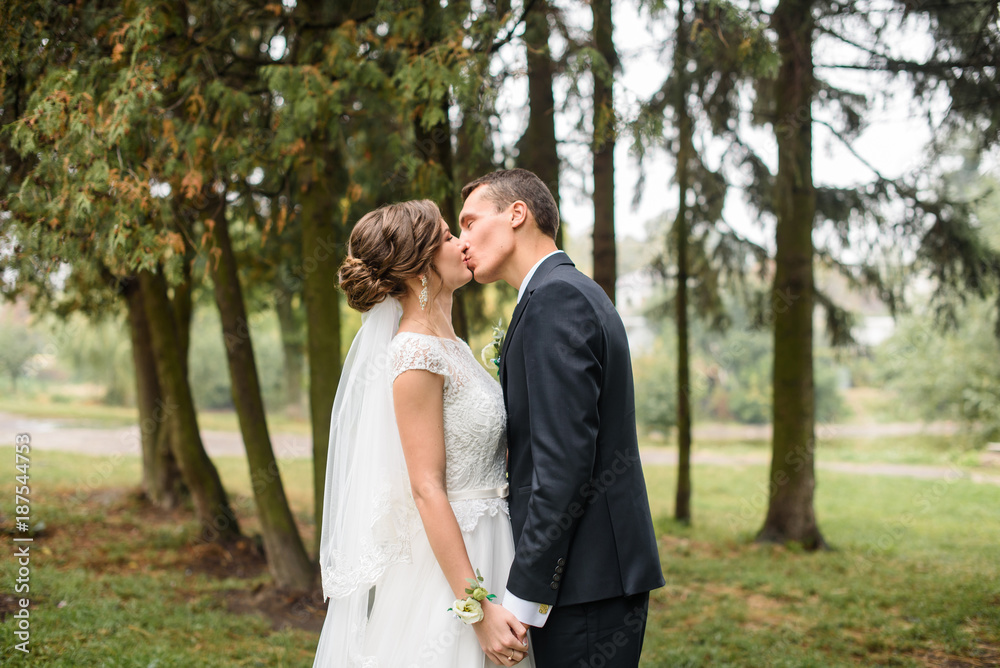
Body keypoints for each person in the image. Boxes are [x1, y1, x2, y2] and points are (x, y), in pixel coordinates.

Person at [458, 169, 666, 668]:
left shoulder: (556, 299)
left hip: (584, 582)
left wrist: (523, 597)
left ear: (516, 213)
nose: (462, 241)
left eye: (469, 222)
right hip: (587, 576)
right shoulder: (560, 292)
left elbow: (563, 467)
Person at [312, 199, 533, 667]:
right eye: (449, 237)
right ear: (419, 270)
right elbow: (426, 487)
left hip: (497, 540)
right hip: (454, 564)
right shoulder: (414, 353)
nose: (463, 243)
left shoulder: (450, 346)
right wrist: (476, 610)